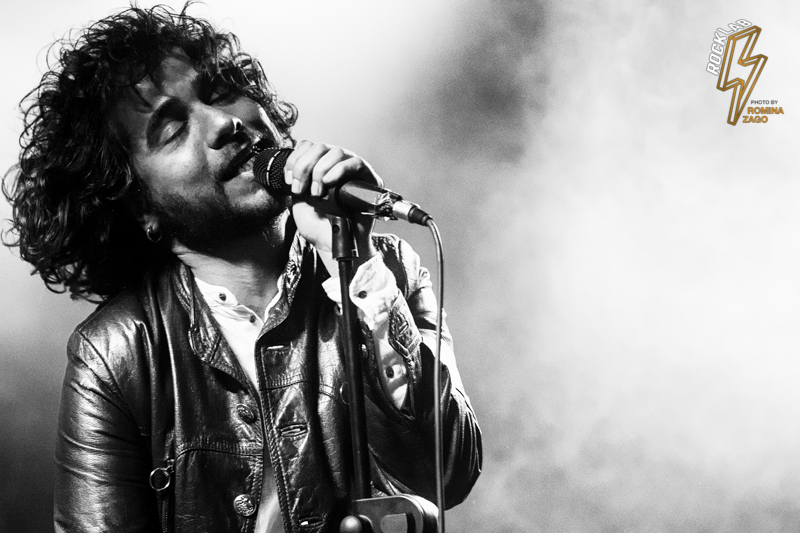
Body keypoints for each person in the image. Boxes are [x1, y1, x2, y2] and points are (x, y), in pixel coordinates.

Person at [2, 5, 482, 533]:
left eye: (220, 91)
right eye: (173, 128)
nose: (223, 123)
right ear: (137, 206)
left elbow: (447, 473)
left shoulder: (383, 271)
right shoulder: (115, 353)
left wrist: (353, 263)